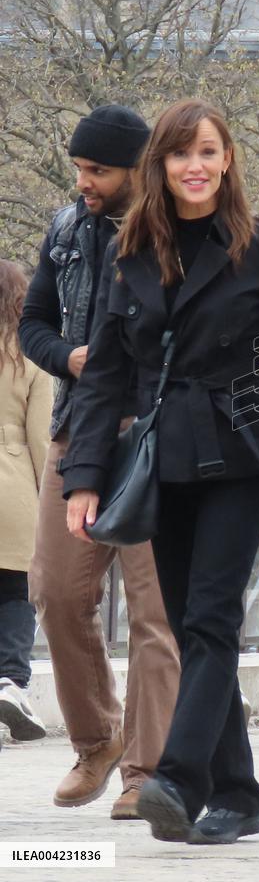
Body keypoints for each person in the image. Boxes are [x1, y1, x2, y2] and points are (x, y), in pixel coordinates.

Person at [62, 99, 259, 845]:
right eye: (180, 154)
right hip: (163, 461)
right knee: (194, 627)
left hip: (243, 454)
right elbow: (105, 375)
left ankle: (177, 778)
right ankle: (239, 793)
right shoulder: (131, 251)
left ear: (228, 159)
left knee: (210, 617)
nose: (195, 166)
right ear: (160, 166)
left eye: (207, 151)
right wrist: (84, 477)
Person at [19, 106, 180, 819]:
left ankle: (147, 771)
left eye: (98, 171)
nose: (83, 182)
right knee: (56, 592)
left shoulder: (176, 232)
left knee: (155, 612)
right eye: (79, 168)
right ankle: (98, 739)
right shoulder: (66, 230)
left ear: (136, 169)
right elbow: (32, 323)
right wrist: (70, 358)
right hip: (76, 431)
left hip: (153, 436)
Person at [0, 259, 51, 750]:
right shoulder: (29, 354)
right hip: (12, 486)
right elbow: (42, 439)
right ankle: (10, 683)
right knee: (17, 590)